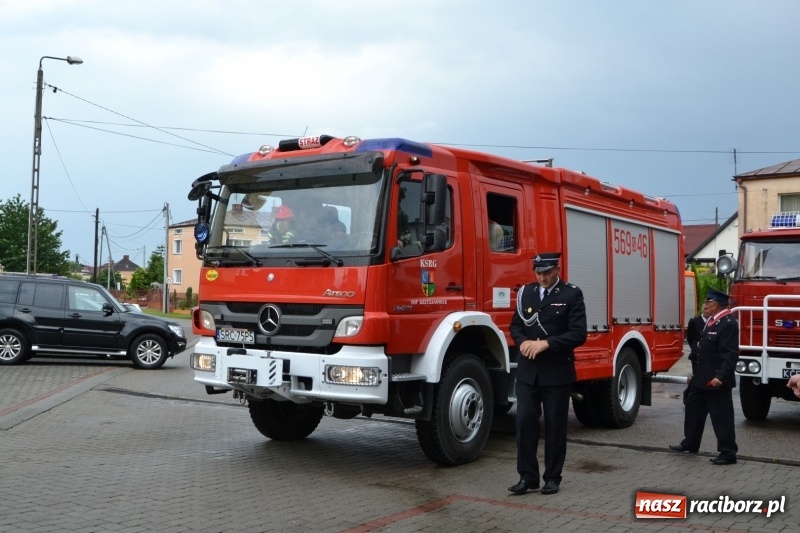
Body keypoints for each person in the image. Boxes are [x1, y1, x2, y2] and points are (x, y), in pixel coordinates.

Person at [508, 252, 587, 495]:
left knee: (554, 427)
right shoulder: (527, 293)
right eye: (538, 272)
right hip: (528, 372)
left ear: (557, 269)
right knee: (525, 423)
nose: (542, 277)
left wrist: (546, 344)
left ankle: (552, 477)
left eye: (547, 272)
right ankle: (527, 477)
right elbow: (516, 326)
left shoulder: (571, 294)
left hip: (556, 371)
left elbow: (578, 333)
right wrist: (521, 342)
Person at [669, 288, 739, 465]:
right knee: (692, 409)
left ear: (715, 305)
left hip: (715, 380)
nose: (704, 306)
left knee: (721, 417)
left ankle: (728, 452)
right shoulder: (712, 321)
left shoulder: (728, 323)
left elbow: (730, 354)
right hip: (701, 378)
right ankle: (690, 443)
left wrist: (721, 377)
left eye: (707, 303)